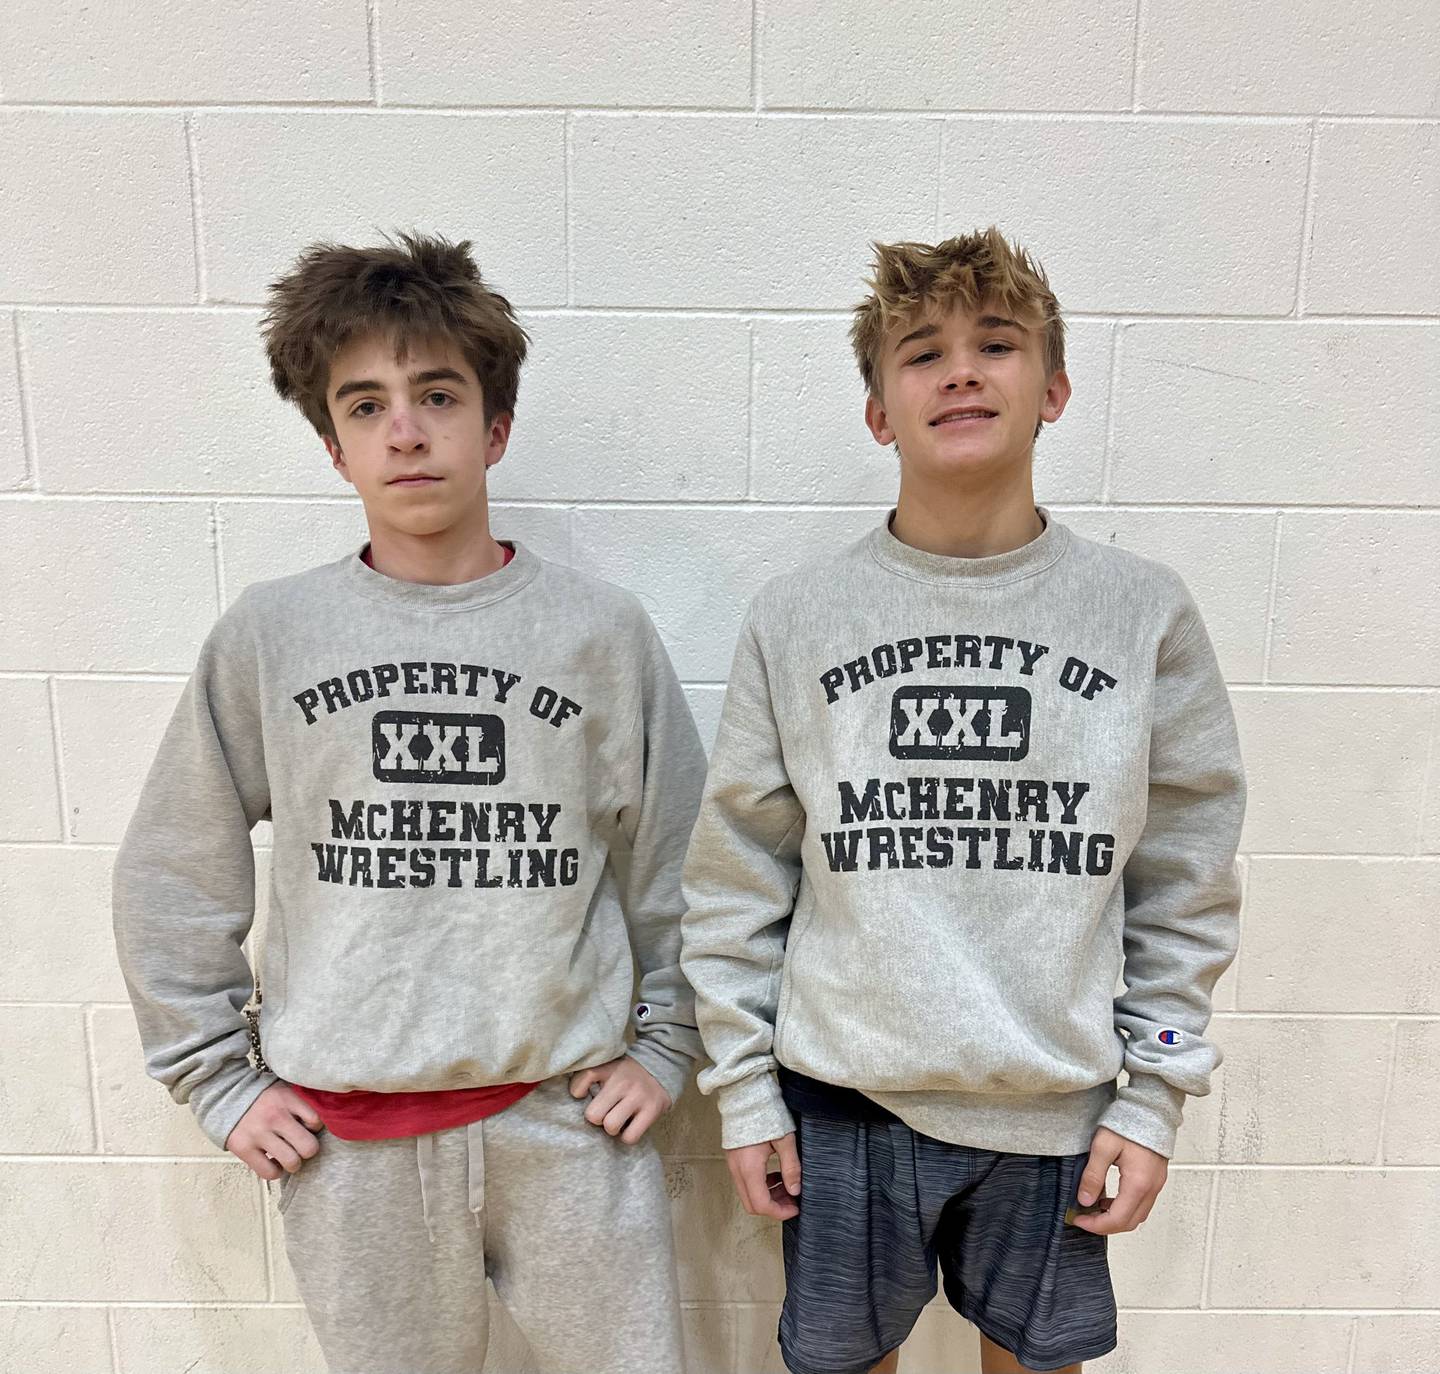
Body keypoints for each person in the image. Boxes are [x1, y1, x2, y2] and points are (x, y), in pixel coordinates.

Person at [112, 230, 705, 1374]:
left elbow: (683, 858)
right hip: (352, 1145)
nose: (406, 429)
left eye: (436, 394)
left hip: (567, 1126)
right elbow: (172, 870)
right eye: (366, 404)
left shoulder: (600, 634)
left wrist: (669, 1043)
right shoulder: (269, 639)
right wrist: (217, 1079)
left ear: (496, 426)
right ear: (334, 445)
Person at [679, 226, 1246, 1374]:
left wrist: (1153, 1098)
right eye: (921, 352)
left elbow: (1186, 880)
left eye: (997, 343)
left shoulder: (1142, 615)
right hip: (841, 1106)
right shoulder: (800, 619)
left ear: (1057, 387)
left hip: (1056, 1106)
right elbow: (738, 875)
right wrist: (743, 1092)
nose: (962, 370)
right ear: (880, 410)